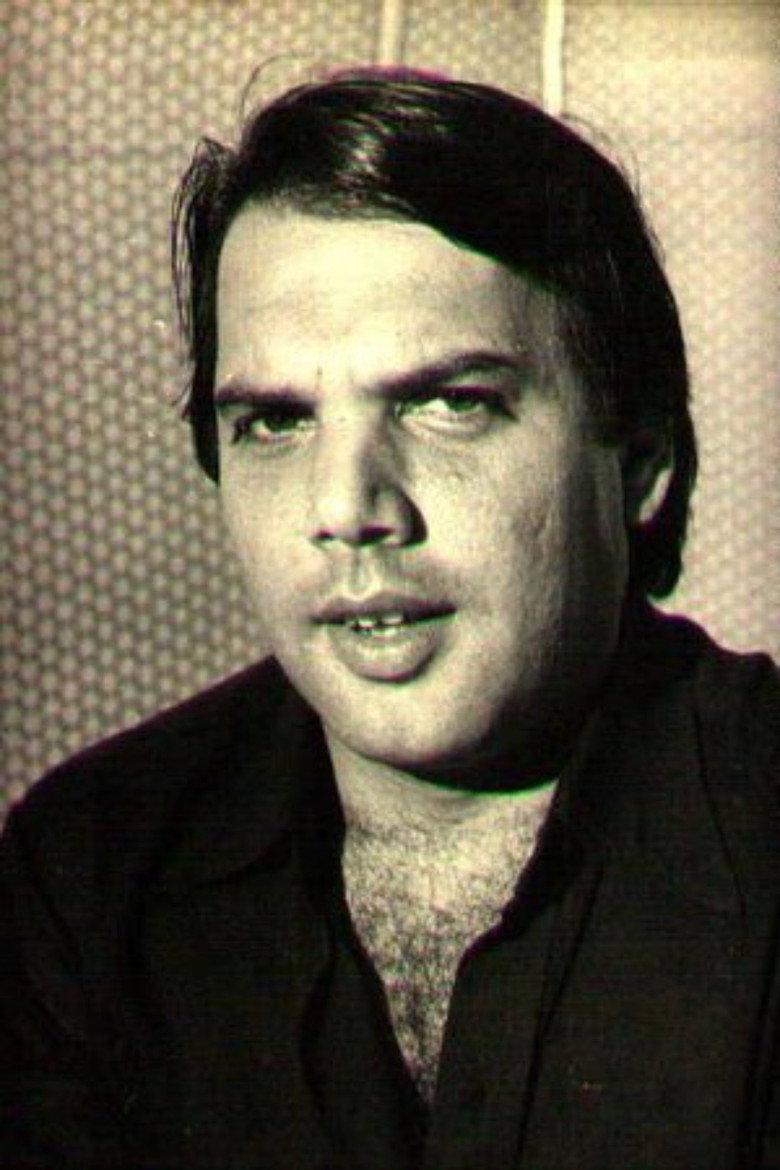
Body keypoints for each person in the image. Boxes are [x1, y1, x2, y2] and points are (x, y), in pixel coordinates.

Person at [1, 69, 778, 1170]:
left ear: (639, 459)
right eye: (276, 422)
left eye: (451, 403)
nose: (348, 509)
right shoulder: (86, 875)